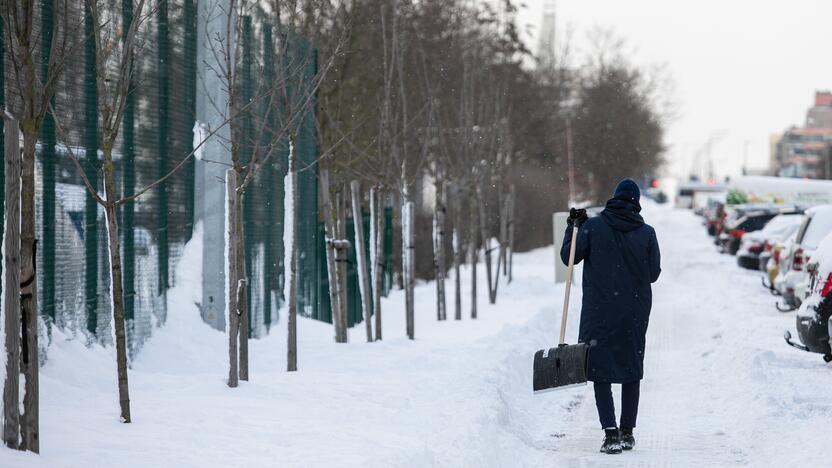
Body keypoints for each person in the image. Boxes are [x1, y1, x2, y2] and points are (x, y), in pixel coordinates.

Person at [560, 179, 661, 455]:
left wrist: (573, 226)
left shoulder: (593, 227)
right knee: (631, 369)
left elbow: (569, 258)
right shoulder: (647, 233)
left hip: (599, 311)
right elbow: (653, 274)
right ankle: (628, 432)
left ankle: (610, 433)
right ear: (636, 202)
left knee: (600, 370)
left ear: (614, 198)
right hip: (634, 312)